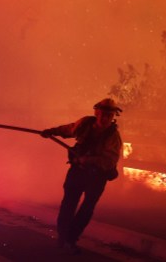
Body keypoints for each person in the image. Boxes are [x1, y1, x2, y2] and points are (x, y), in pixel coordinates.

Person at [40, 98, 123, 254]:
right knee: (68, 204)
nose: (105, 118)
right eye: (103, 114)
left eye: (109, 115)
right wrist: (51, 132)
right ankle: (63, 236)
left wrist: (90, 160)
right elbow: (69, 129)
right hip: (77, 171)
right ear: (96, 113)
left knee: (86, 208)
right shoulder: (84, 123)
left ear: (112, 117)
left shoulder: (113, 137)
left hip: (97, 177)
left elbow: (110, 160)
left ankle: (72, 239)